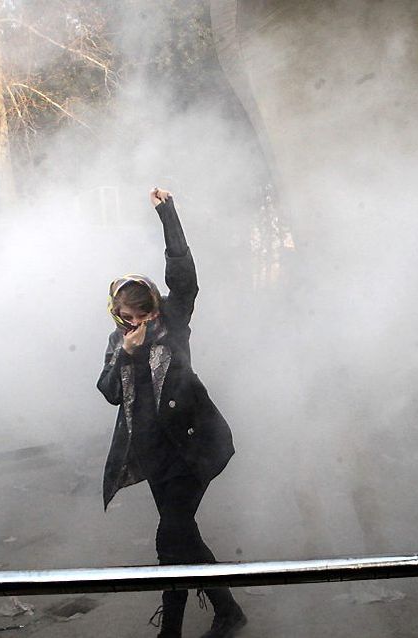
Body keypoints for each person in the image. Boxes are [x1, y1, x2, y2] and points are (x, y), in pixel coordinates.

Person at [97, 187, 247, 638]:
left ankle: (172, 631)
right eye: (128, 315)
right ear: (117, 314)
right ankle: (228, 610)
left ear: (153, 306)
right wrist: (125, 354)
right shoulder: (118, 343)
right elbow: (107, 392)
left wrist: (168, 213)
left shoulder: (172, 322)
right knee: (184, 537)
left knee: (170, 537)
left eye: (143, 311)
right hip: (155, 456)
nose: (137, 320)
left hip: (194, 450)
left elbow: (184, 278)